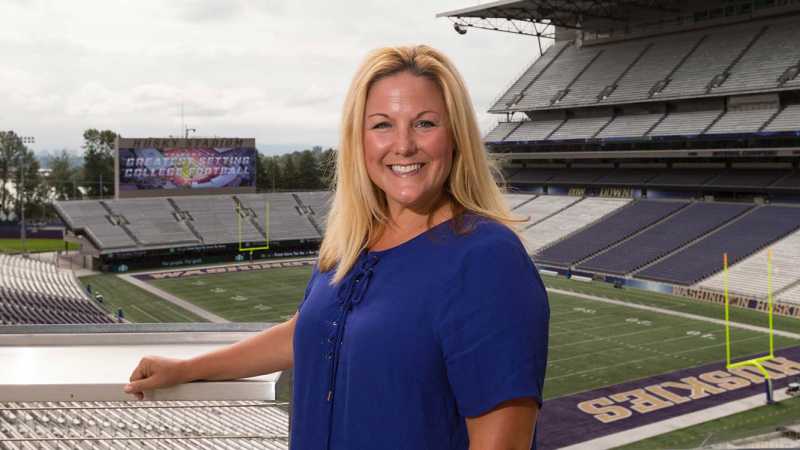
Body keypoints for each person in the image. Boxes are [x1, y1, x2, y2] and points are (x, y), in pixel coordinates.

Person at [125, 44, 550, 450]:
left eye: (425, 123)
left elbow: (504, 442)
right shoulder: (353, 241)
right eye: (382, 124)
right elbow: (308, 332)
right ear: (358, 140)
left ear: (455, 136)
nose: (403, 145)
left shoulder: (486, 258)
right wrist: (186, 370)